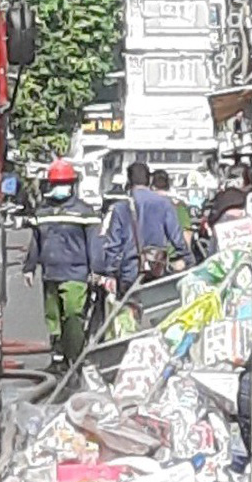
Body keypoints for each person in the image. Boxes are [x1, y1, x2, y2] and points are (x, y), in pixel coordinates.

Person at [22, 158, 102, 372]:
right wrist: (29, 268)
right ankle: (57, 356)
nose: (60, 188)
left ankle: (74, 357)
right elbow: (36, 242)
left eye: (64, 183)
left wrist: (97, 270)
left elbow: (94, 243)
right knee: (53, 317)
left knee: (73, 314)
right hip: (50, 274)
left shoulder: (85, 212)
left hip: (76, 273)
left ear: (73, 184)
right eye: (57, 183)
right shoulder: (43, 212)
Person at [102, 161, 188, 290]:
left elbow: (113, 244)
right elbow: (177, 238)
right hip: (156, 269)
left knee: (128, 307)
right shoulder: (164, 204)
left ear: (128, 182)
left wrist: (110, 273)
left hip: (129, 272)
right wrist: (186, 259)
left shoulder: (120, 208)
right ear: (149, 180)